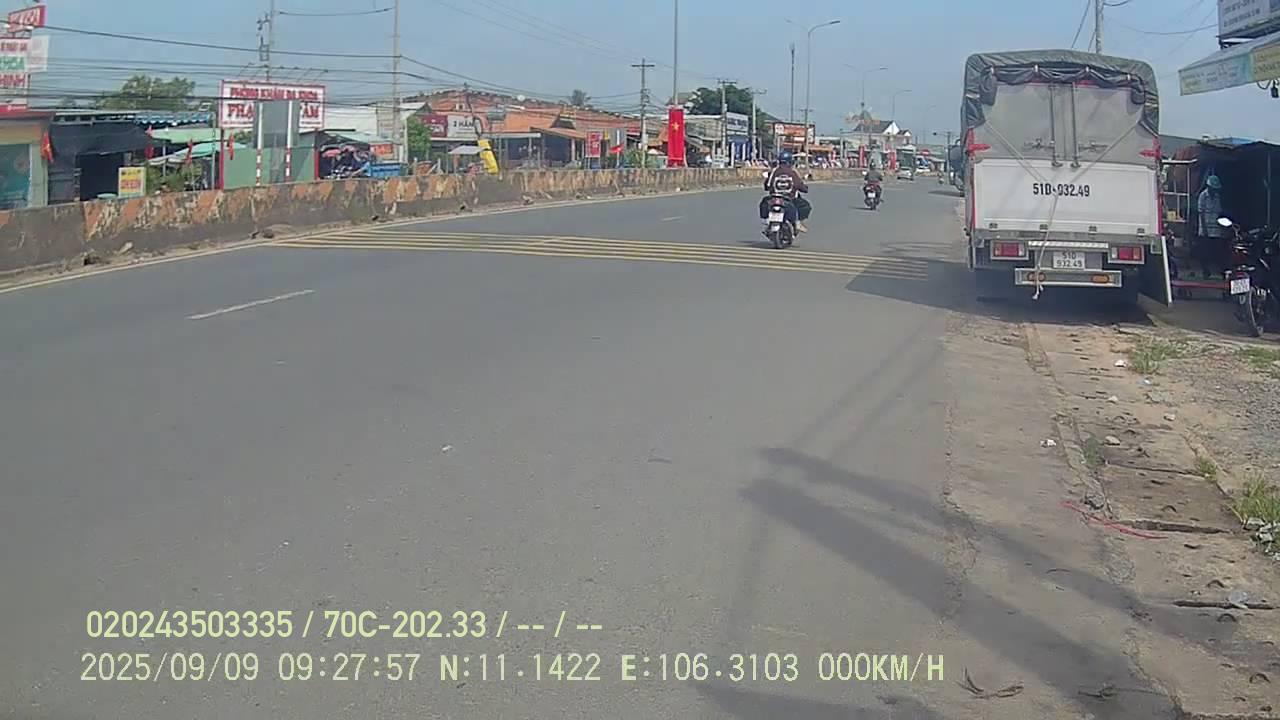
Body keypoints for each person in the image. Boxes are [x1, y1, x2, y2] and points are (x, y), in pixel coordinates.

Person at [759, 150, 812, 232]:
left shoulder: (774, 171)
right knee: (805, 206)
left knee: (763, 203)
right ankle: (797, 223)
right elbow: (800, 186)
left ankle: (766, 220)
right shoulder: (792, 172)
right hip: (789, 199)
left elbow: (767, 186)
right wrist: (804, 188)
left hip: (773, 198)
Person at [1196, 174, 1224, 276]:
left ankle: (1217, 269)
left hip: (1215, 229)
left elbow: (1219, 211)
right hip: (1205, 229)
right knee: (1204, 251)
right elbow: (1201, 213)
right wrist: (1204, 230)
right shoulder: (1203, 196)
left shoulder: (1217, 197)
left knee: (1216, 250)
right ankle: (1205, 270)